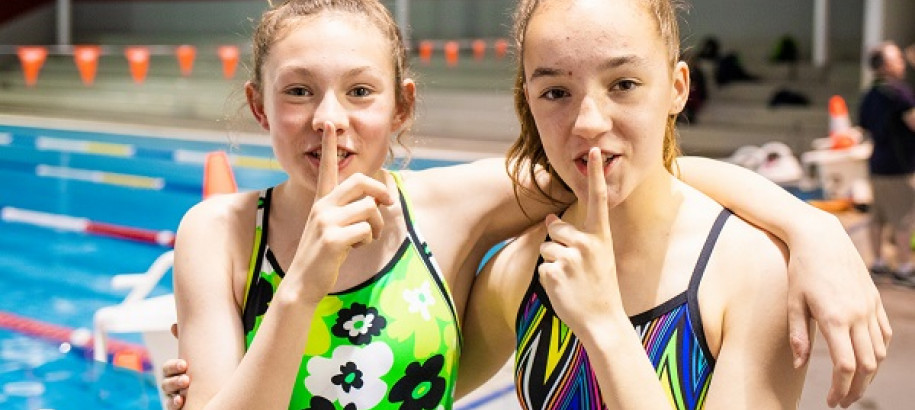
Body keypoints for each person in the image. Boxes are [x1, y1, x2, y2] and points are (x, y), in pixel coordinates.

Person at [166, 1, 890, 409]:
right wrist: (279, 318)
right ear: (259, 106)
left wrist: (807, 230)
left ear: (399, 107)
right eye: (554, 93)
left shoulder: (453, 210)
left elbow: (645, 170)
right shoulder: (526, 269)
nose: (329, 120)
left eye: (359, 91)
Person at [859, 41, 915, 285]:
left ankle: (879, 263)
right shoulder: (900, 93)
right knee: (904, 218)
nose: (902, 63)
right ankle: (904, 268)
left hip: (877, 164)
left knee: (878, 216)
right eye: (897, 59)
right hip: (898, 166)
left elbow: (864, 126)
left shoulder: (870, 93)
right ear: (884, 66)